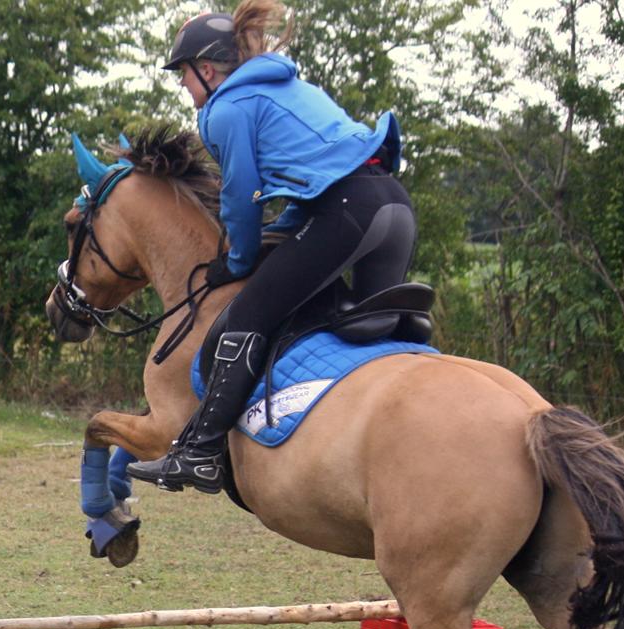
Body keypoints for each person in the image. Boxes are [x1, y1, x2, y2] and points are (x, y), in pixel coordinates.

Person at [127, 1, 417, 494]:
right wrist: (278, 237)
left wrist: (237, 259)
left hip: (348, 210)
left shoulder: (224, 109)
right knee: (373, 330)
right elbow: (315, 186)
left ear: (208, 69)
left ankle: (199, 453)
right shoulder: (291, 87)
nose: (182, 85)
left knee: (246, 318)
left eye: (183, 74)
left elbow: (241, 197)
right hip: (393, 208)